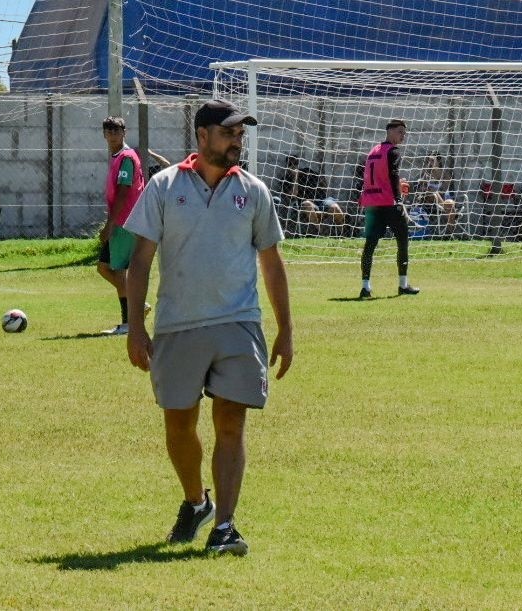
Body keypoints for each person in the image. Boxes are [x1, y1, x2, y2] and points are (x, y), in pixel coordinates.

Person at [123, 99, 293, 556]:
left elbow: (272, 265)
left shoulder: (254, 190)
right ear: (202, 135)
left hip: (238, 323)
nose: (237, 140)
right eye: (228, 132)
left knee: (231, 423)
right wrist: (135, 327)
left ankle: (225, 526)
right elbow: (140, 262)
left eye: (240, 134)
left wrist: (286, 329)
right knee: (180, 424)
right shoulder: (163, 185)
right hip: (177, 325)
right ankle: (196, 501)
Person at [358, 119, 420, 299]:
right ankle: (403, 285)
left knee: (370, 245)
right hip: (389, 203)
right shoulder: (393, 151)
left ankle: (365, 288)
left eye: (404, 132)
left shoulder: (372, 151)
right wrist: (399, 199)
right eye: (400, 132)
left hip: (372, 203)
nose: (403, 136)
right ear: (390, 132)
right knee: (403, 241)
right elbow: (393, 174)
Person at [98, 116, 146, 335]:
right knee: (104, 267)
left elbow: (124, 193)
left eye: (117, 130)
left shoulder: (126, 157)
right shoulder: (117, 157)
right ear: (104, 134)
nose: (113, 133)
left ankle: (129, 323)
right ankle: (138, 307)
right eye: (109, 130)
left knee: (120, 271)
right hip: (121, 220)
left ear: (124, 132)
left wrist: (110, 224)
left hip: (125, 222)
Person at [273, 156, 345, 236]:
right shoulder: (286, 179)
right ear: (287, 166)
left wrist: (321, 179)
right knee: (307, 204)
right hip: (306, 204)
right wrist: (295, 177)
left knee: (335, 207)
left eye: (295, 163)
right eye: (291, 164)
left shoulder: (307, 171)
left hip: (321, 201)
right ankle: (321, 234)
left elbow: (324, 185)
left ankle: (342, 234)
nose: (294, 166)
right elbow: (293, 195)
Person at [415, 152, 457, 234]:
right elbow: (420, 190)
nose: (429, 162)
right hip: (430, 203)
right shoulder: (425, 174)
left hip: (443, 199)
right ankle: (451, 232)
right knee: (433, 193)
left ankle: (450, 232)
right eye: (428, 160)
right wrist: (424, 184)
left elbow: (443, 190)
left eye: (432, 160)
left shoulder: (445, 175)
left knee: (450, 203)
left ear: (438, 161)